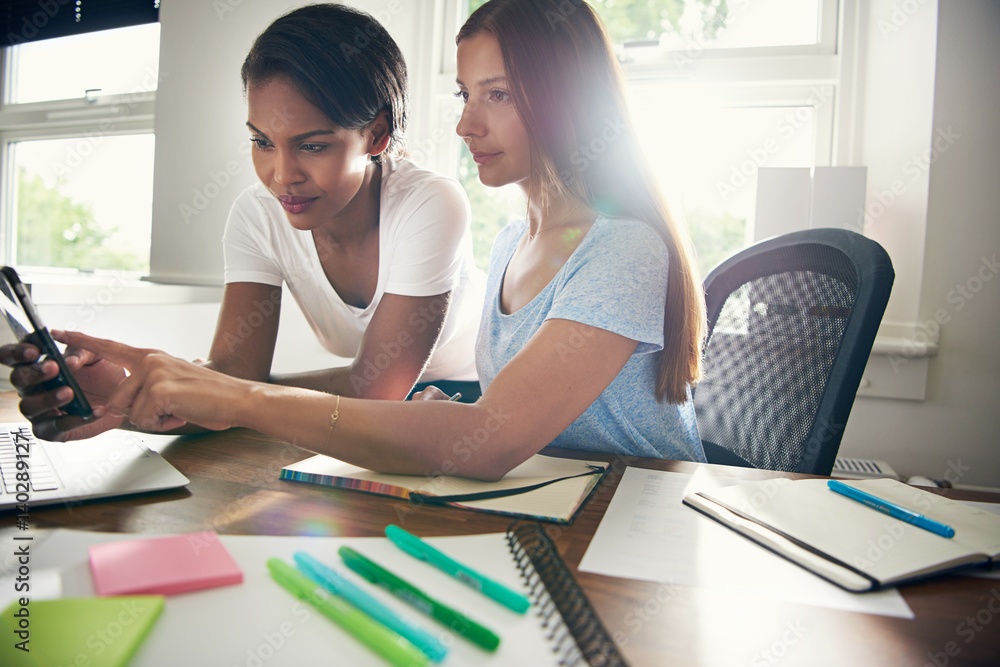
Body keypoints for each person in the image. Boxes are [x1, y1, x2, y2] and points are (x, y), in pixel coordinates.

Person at [4, 0, 706, 480]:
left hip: (641, 521)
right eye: (465, 95)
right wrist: (139, 391)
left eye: (499, 94)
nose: (465, 126)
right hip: (553, 504)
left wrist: (235, 397)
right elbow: (508, 418)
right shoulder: (507, 249)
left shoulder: (624, 248)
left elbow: (492, 440)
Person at [2, 4, 485, 441]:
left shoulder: (431, 203)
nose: (282, 176)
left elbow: (375, 387)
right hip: (370, 404)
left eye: (312, 145)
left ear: (375, 135)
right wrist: (120, 397)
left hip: (470, 398)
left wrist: (210, 393)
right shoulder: (257, 215)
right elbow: (236, 376)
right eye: (262, 141)